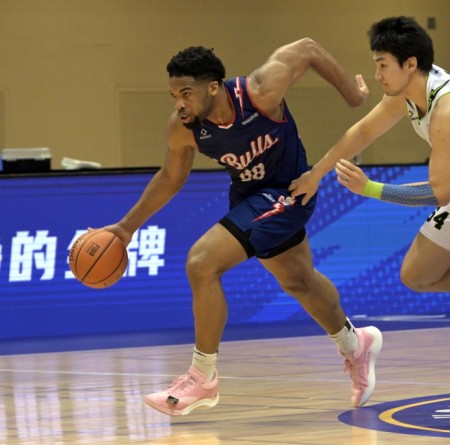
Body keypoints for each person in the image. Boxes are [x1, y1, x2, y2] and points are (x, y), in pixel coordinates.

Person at [102, 39, 383, 416]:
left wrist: (354, 95)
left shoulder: (259, 92)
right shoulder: (184, 128)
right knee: (298, 280)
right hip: (249, 197)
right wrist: (126, 228)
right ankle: (356, 345)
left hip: (291, 192)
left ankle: (202, 378)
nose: (179, 104)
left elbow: (307, 49)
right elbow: (170, 177)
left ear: (212, 88)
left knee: (201, 262)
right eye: (173, 95)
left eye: (186, 93)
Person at [289, 16, 450, 419]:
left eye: (382, 65)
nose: (376, 74)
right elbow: (361, 133)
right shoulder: (409, 93)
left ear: (410, 64)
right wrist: (315, 174)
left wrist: (371, 189)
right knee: (417, 274)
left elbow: (439, 192)